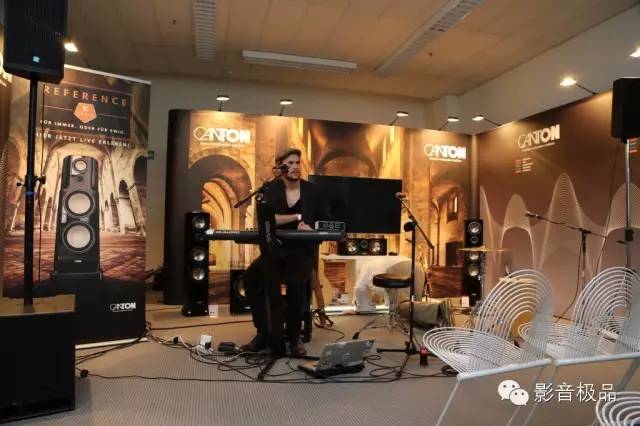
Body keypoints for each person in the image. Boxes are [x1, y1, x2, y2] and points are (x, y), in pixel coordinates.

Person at [241, 147, 329, 356]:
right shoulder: (270, 190)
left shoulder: (313, 191)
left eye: (297, 162)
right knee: (250, 279)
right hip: (275, 251)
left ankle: (293, 337)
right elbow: (266, 220)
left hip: (302, 252)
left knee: (295, 282)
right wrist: (297, 217)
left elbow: (326, 219)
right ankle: (264, 333)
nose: (295, 167)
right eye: (289, 163)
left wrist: (312, 227)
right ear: (280, 167)